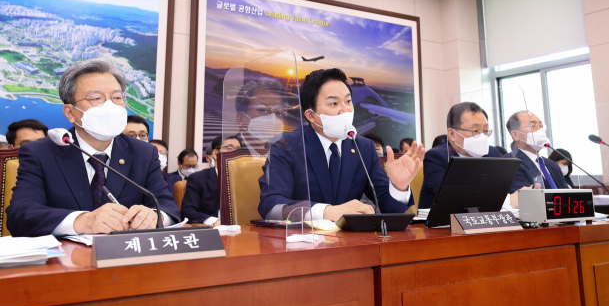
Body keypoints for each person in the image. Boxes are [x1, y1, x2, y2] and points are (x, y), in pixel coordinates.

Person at [6, 58, 179, 237]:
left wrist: (154, 216)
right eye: (96, 98)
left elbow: (168, 208)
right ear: (70, 112)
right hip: (67, 261)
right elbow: (20, 215)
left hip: (126, 257)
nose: (110, 106)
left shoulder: (144, 152)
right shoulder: (40, 153)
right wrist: (82, 221)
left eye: (117, 98)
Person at [258, 68, 425, 222]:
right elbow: (271, 206)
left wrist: (399, 187)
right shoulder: (285, 145)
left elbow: (389, 209)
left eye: (348, 101)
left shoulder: (364, 148)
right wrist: (327, 212)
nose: (345, 110)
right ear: (311, 115)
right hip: (302, 244)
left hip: (352, 244)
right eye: (334, 104)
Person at [418, 102, 501, 209]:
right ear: (452, 134)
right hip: (444, 222)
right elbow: (450, 197)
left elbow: (502, 190)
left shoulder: (492, 153)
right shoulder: (436, 157)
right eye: (475, 130)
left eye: (485, 130)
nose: (482, 136)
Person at [504, 111, 568, 200]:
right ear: (516, 135)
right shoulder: (509, 163)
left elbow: (567, 197)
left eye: (541, 126)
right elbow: (522, 199)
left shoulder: (552, 165)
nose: (540, 130)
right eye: (533, 126)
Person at [181, 136, 240, 226]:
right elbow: (187, 212)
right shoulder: (198, 179)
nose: (235, 153)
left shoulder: (245, 180)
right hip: (213, 230)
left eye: (238, 149)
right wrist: (214, 221)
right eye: (229, 148)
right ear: (215, 154)